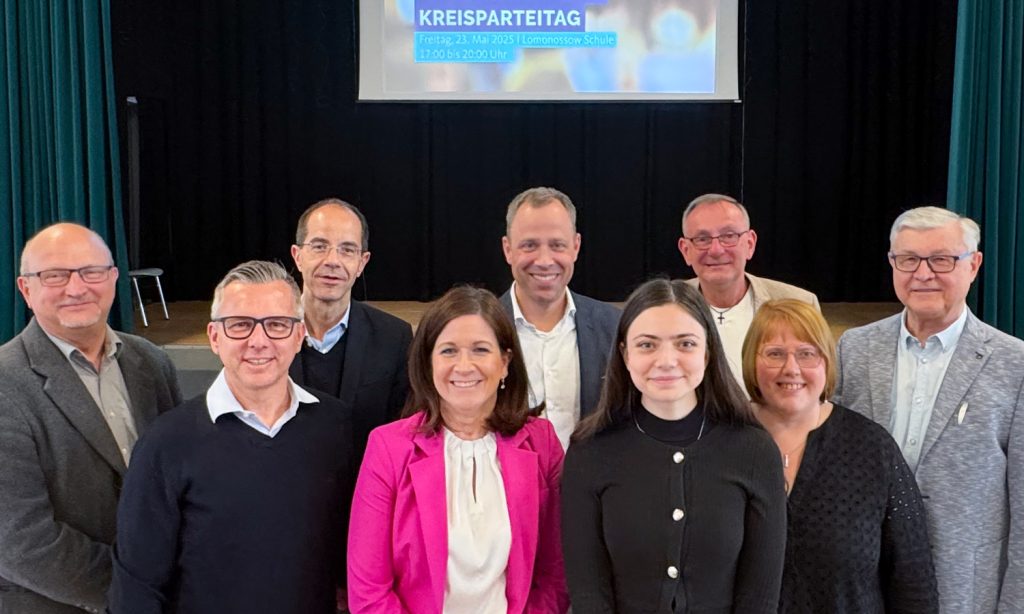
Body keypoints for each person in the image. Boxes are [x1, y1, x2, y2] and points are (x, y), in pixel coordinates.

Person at [108, 261, 353, 613]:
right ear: (214, 337)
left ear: (299, 336)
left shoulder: (336, 427)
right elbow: (136, 588)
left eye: (277, 325)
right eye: (240, 325)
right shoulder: (166, 443)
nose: (258, 341)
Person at [835, 205, 1024, 613]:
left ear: (974, 265)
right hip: (863, 585)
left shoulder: (1015, 365)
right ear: (892, 263)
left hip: (963, 589)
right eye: (908, 259)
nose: (922, 274)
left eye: (941, 259)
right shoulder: (855, 349)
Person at [561, 278, 786, 613]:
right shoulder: (589, 451)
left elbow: (760, 597)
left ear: (707, 352)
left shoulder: (754, 450)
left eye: (685, 344)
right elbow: (588, 594)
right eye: (647, 345)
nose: (666, 360)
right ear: (624, 354)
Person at [348, 286, 569, 613]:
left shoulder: (542, 442)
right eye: (448, 351)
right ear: (428, 363)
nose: (464, 366)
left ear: (505, 362)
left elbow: (557, 575)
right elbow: (369, 592)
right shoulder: (388, 448)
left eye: (480, 349)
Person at [0, 222, 181, 614]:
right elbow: (18, 539)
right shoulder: (5, 383)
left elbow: (176, 481)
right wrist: (133, 592)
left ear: (113, 278)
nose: (77, 288)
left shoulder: (152, 363)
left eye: (91, 271)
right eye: (55, 275)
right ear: (25, 289)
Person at [742, 299, 938, 612]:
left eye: (807, 353)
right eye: (774, 353)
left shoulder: (872, 449)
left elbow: (913, 582)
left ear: (827, 362)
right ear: (751, 360)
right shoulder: (720, 443)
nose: (791, 368)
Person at [290, 198, 413, 462]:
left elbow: (402, 435)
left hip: (365, 483)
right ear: (297, 256)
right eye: (319, 246)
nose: (332, 260)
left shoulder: (395, 339)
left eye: (347, 250)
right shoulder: (268, 334)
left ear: (362, 262)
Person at [500, 186, 620, 448]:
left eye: (557, 245)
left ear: (576, 246)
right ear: (508, 249)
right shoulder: (482, 329)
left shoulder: (614, 327)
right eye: (530, 245)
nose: (545, 260)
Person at [678, 193, 819, 389]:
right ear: (686, 250)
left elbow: (813, 385)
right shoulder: (663, 306)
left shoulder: (798, 303)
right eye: (702, 239)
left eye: (729, 236)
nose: (716, 250)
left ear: (750, 244)